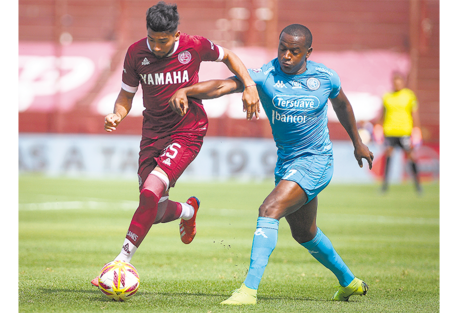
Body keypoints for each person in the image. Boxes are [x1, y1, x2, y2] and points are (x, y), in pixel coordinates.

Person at [169, 24, 374, 304]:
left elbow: (343, 105)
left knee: (269, 210)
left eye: (294, 51)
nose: (286, 56)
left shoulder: (325, 78)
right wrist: (187, 91)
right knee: (304, 232)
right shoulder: (265, 75)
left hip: (316, 161)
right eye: (283, 48)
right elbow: (223, 85)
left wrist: (357, 143)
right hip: (288, 164)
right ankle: (349, 282)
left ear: (308, 53)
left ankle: (248, 291)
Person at [91, 1, 259, 286]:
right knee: (154, 210)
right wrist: (116, 115)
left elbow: (228, 55)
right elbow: (126, 95)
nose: (157, 47)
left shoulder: (194, 46)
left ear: (176, 34)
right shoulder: (135, 53)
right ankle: (189, 211)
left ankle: (120, 261)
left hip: (187, 130)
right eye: (153, 40)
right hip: (152, 133)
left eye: (163, 41)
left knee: (150, 191)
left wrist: (250, 85)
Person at [376, 71, 422, 194]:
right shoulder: (387, 96)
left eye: (400, 81)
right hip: (390, 131)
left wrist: (416, 129)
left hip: (405, 132)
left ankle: (418, 185)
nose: (397, 84)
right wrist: (378, 127)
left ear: (403, 82)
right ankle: (384, 186)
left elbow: (414, 114)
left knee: (411, 156)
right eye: (395, 82)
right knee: (388, 156)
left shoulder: (409, 96)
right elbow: (382, 114)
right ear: (393, 82)